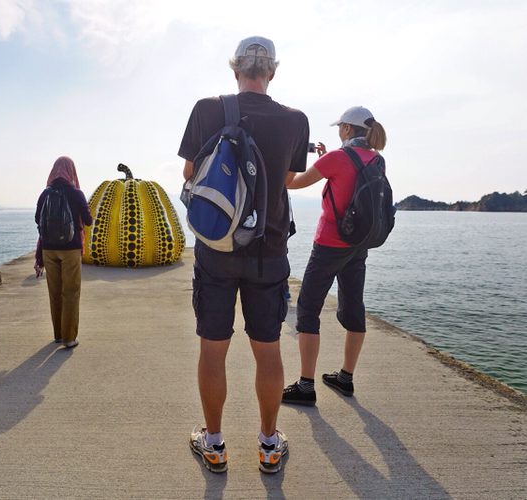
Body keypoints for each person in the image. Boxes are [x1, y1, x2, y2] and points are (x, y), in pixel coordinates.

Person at [178, 36, 310, 474]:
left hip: (217, 249)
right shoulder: (296, 120)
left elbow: (190, 173)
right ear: (272, 71)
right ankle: (269, 445)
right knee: (267, 350)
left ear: (235, 70)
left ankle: (214, 444)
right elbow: (286, 179)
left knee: (213, 350)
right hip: (268, 250)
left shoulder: (206, 109)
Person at [281, 106, 387, 407]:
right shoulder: (377, 160)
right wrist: (326, 161)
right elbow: (350, 184)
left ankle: (305, 386)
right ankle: (345, 377)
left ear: (348, 129)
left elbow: (290, 182)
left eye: (340, 126)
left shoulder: (338, 158)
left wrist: (294, 157)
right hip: (358, 245)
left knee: (308, 309)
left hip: (329, 244)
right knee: (354, 307)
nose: (339, 130)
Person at [33, 157, 92, 348]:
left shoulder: (45, 193)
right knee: (71, 292)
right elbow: (88, 221)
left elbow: (37, 219)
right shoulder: (76, 193)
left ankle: (58, 335)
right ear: (71, 171)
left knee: (55, 292)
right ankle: (69, 338)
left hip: (48, 249)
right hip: (71, 248)